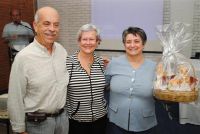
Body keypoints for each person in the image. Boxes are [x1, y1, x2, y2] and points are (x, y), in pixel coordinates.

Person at [7, 6, 69, 134]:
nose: (52, 29)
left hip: (63, 121)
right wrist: (20, 130)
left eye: (56, 25)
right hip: (38, 125)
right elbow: (15, 97)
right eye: (46, 24)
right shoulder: (23, 58)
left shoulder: (62, 51)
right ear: (35, 26)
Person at [105, 27, 157, 134]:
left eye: (137, 41)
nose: (132, 45)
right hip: (116, 121)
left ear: (144, 43)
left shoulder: (154, 67)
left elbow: (161, 93)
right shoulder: (113, 63)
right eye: (128, 42)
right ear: (124, 44)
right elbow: (103, 84)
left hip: (144, 123)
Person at [66, 23, 107, 134]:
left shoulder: (101, 63)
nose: (88, 43)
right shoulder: (68, 62)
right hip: (76, 122)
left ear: (97, 41)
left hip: (100, 119)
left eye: (92, 39)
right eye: (84, 39)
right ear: (79, 41)